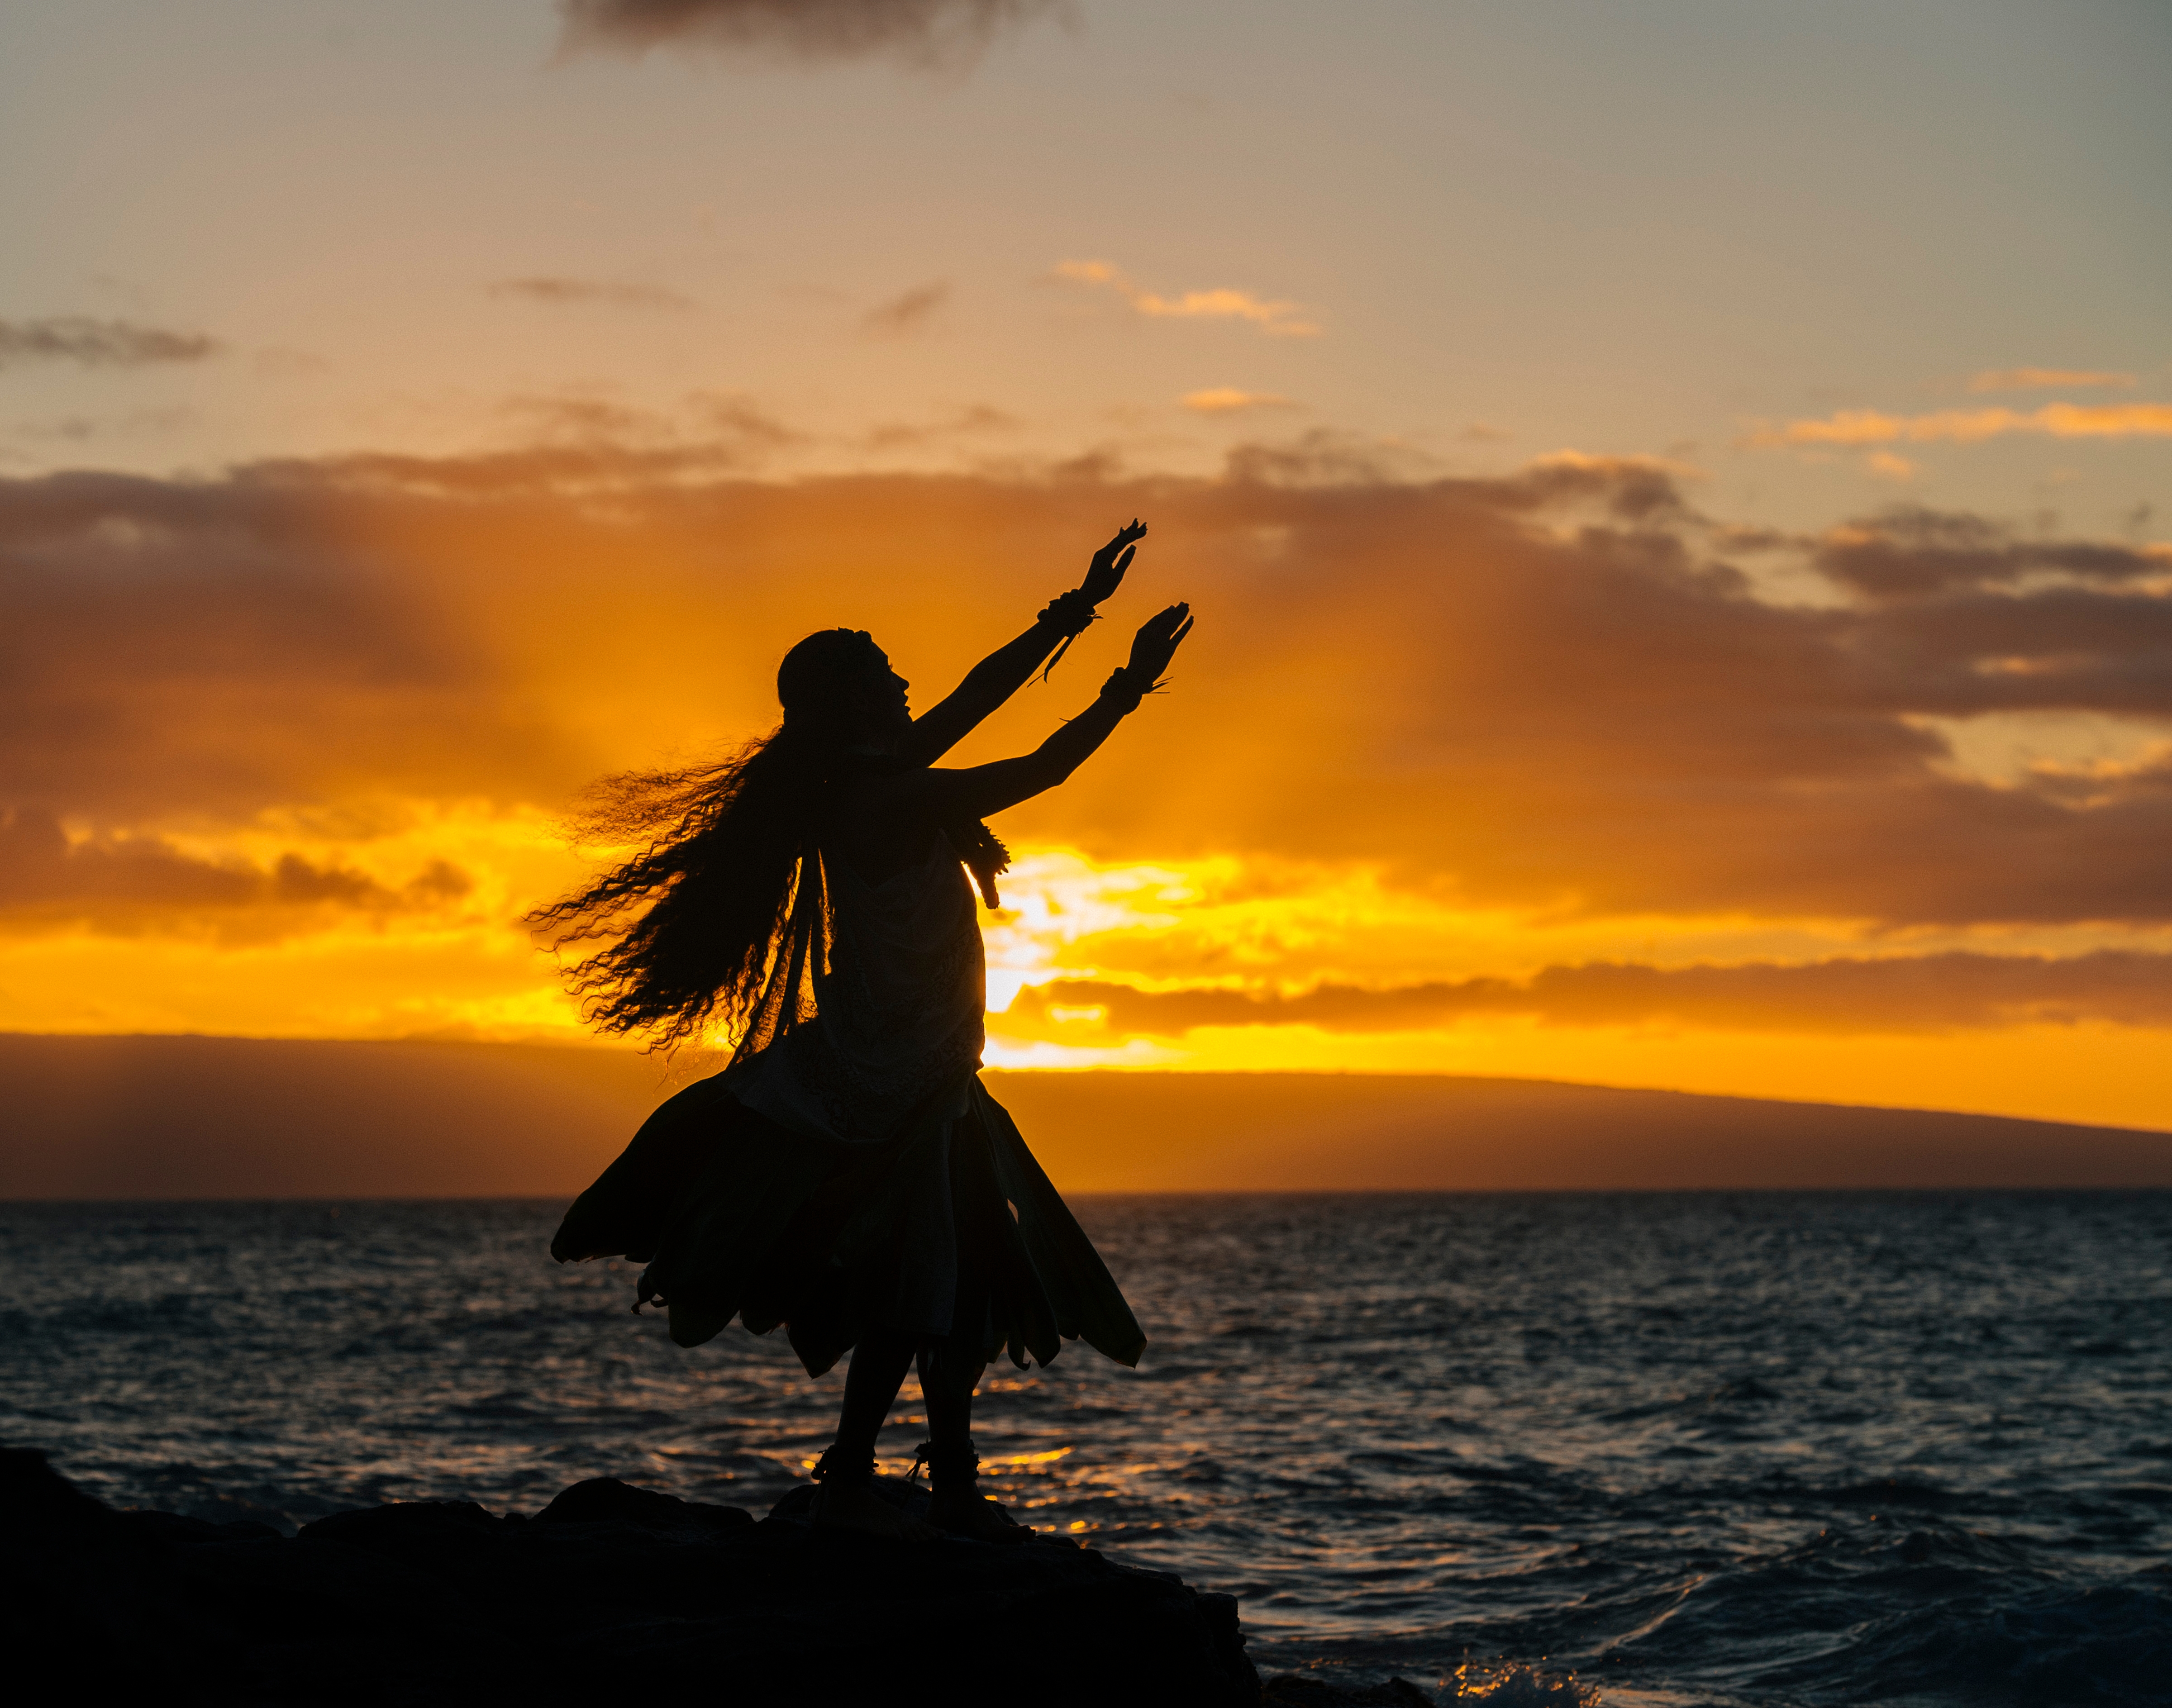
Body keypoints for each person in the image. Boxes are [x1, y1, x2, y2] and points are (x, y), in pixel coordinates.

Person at [536, 523, 1193, 1543]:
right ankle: (877, 1464)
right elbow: (1044, 767)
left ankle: (929, 1462)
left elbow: (981, 691)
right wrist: (1127, 683)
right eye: (882, 674)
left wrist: (1076, 605)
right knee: (929, 1272)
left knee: (966, 1263)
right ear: (844, 701)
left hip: (930, 1064)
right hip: (893, 1073)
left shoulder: (873, 779)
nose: (901, 683)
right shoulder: (883, 797)